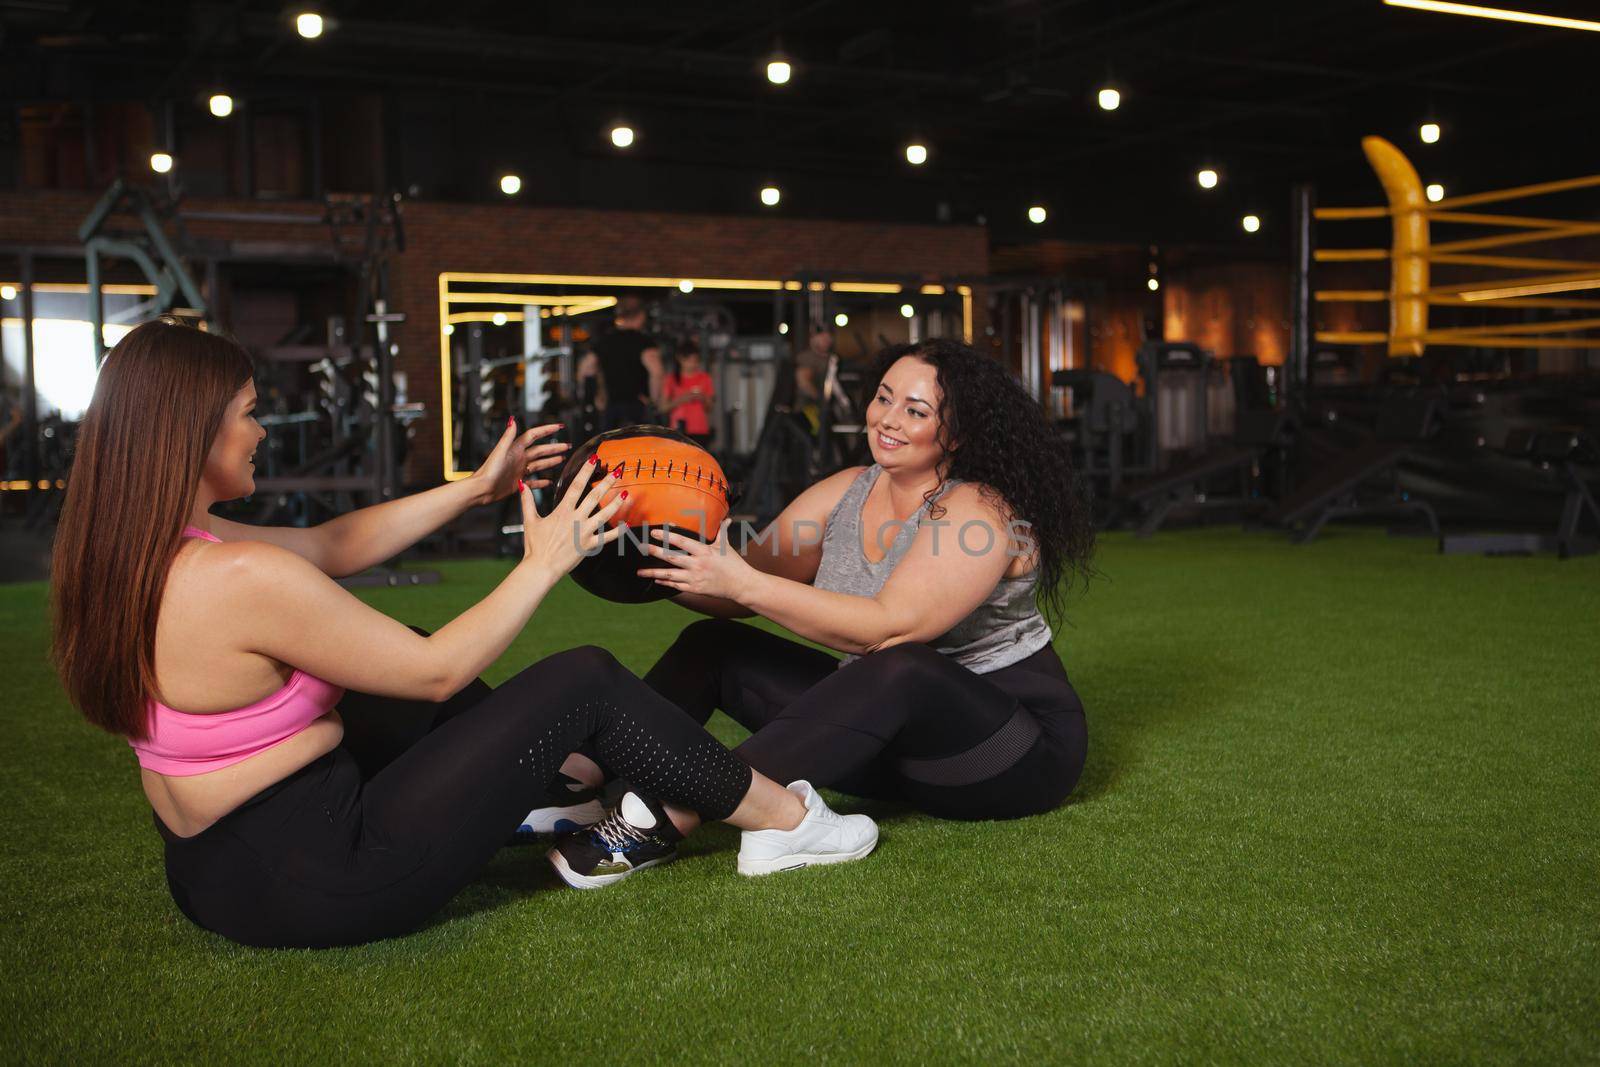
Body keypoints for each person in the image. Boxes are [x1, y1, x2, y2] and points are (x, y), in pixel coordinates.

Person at [49, 320, 877, 949]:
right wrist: (544, 561)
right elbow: (437, 673)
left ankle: (559, 788)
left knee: (378, 645)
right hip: (328, 876)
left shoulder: (136, 550)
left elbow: (337, 545)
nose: (262, 431)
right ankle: (784, 825)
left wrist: (475, 490)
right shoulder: (236, 578)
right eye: (250, 414)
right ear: (190, 433)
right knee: (583, 676)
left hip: (212, 874)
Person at [619, 338, 1092, 851]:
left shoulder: (979, 509)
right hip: (893, 746)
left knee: (902, 661)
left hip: (1007, 754)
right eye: (884, 398)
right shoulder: (846, 490)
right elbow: (737, 585)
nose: (887, 419)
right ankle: (582, 781)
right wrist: (629, 559)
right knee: (712, 644)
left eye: (915, 411)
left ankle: (663, 813)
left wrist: (744, 583)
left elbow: (888, 627)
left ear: (956, 435)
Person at [577, 297, 663, 430]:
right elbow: (656, 372)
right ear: (641, 316)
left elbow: (585, 369)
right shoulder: (644, 343)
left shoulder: (604, 341)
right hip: (637, 406)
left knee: (609, 444)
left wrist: (592, 397)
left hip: (611, 406)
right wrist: (653, 401)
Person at [660, 338, 715, 448]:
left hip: (700, 428)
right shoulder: (671, 379)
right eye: (689, 360)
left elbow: (709, 408)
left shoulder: (704, 378)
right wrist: (682, 399)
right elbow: (663, 407)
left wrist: (703, 398)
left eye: (696, 361)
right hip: (679, 428)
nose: (693, 364)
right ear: (680, 359)